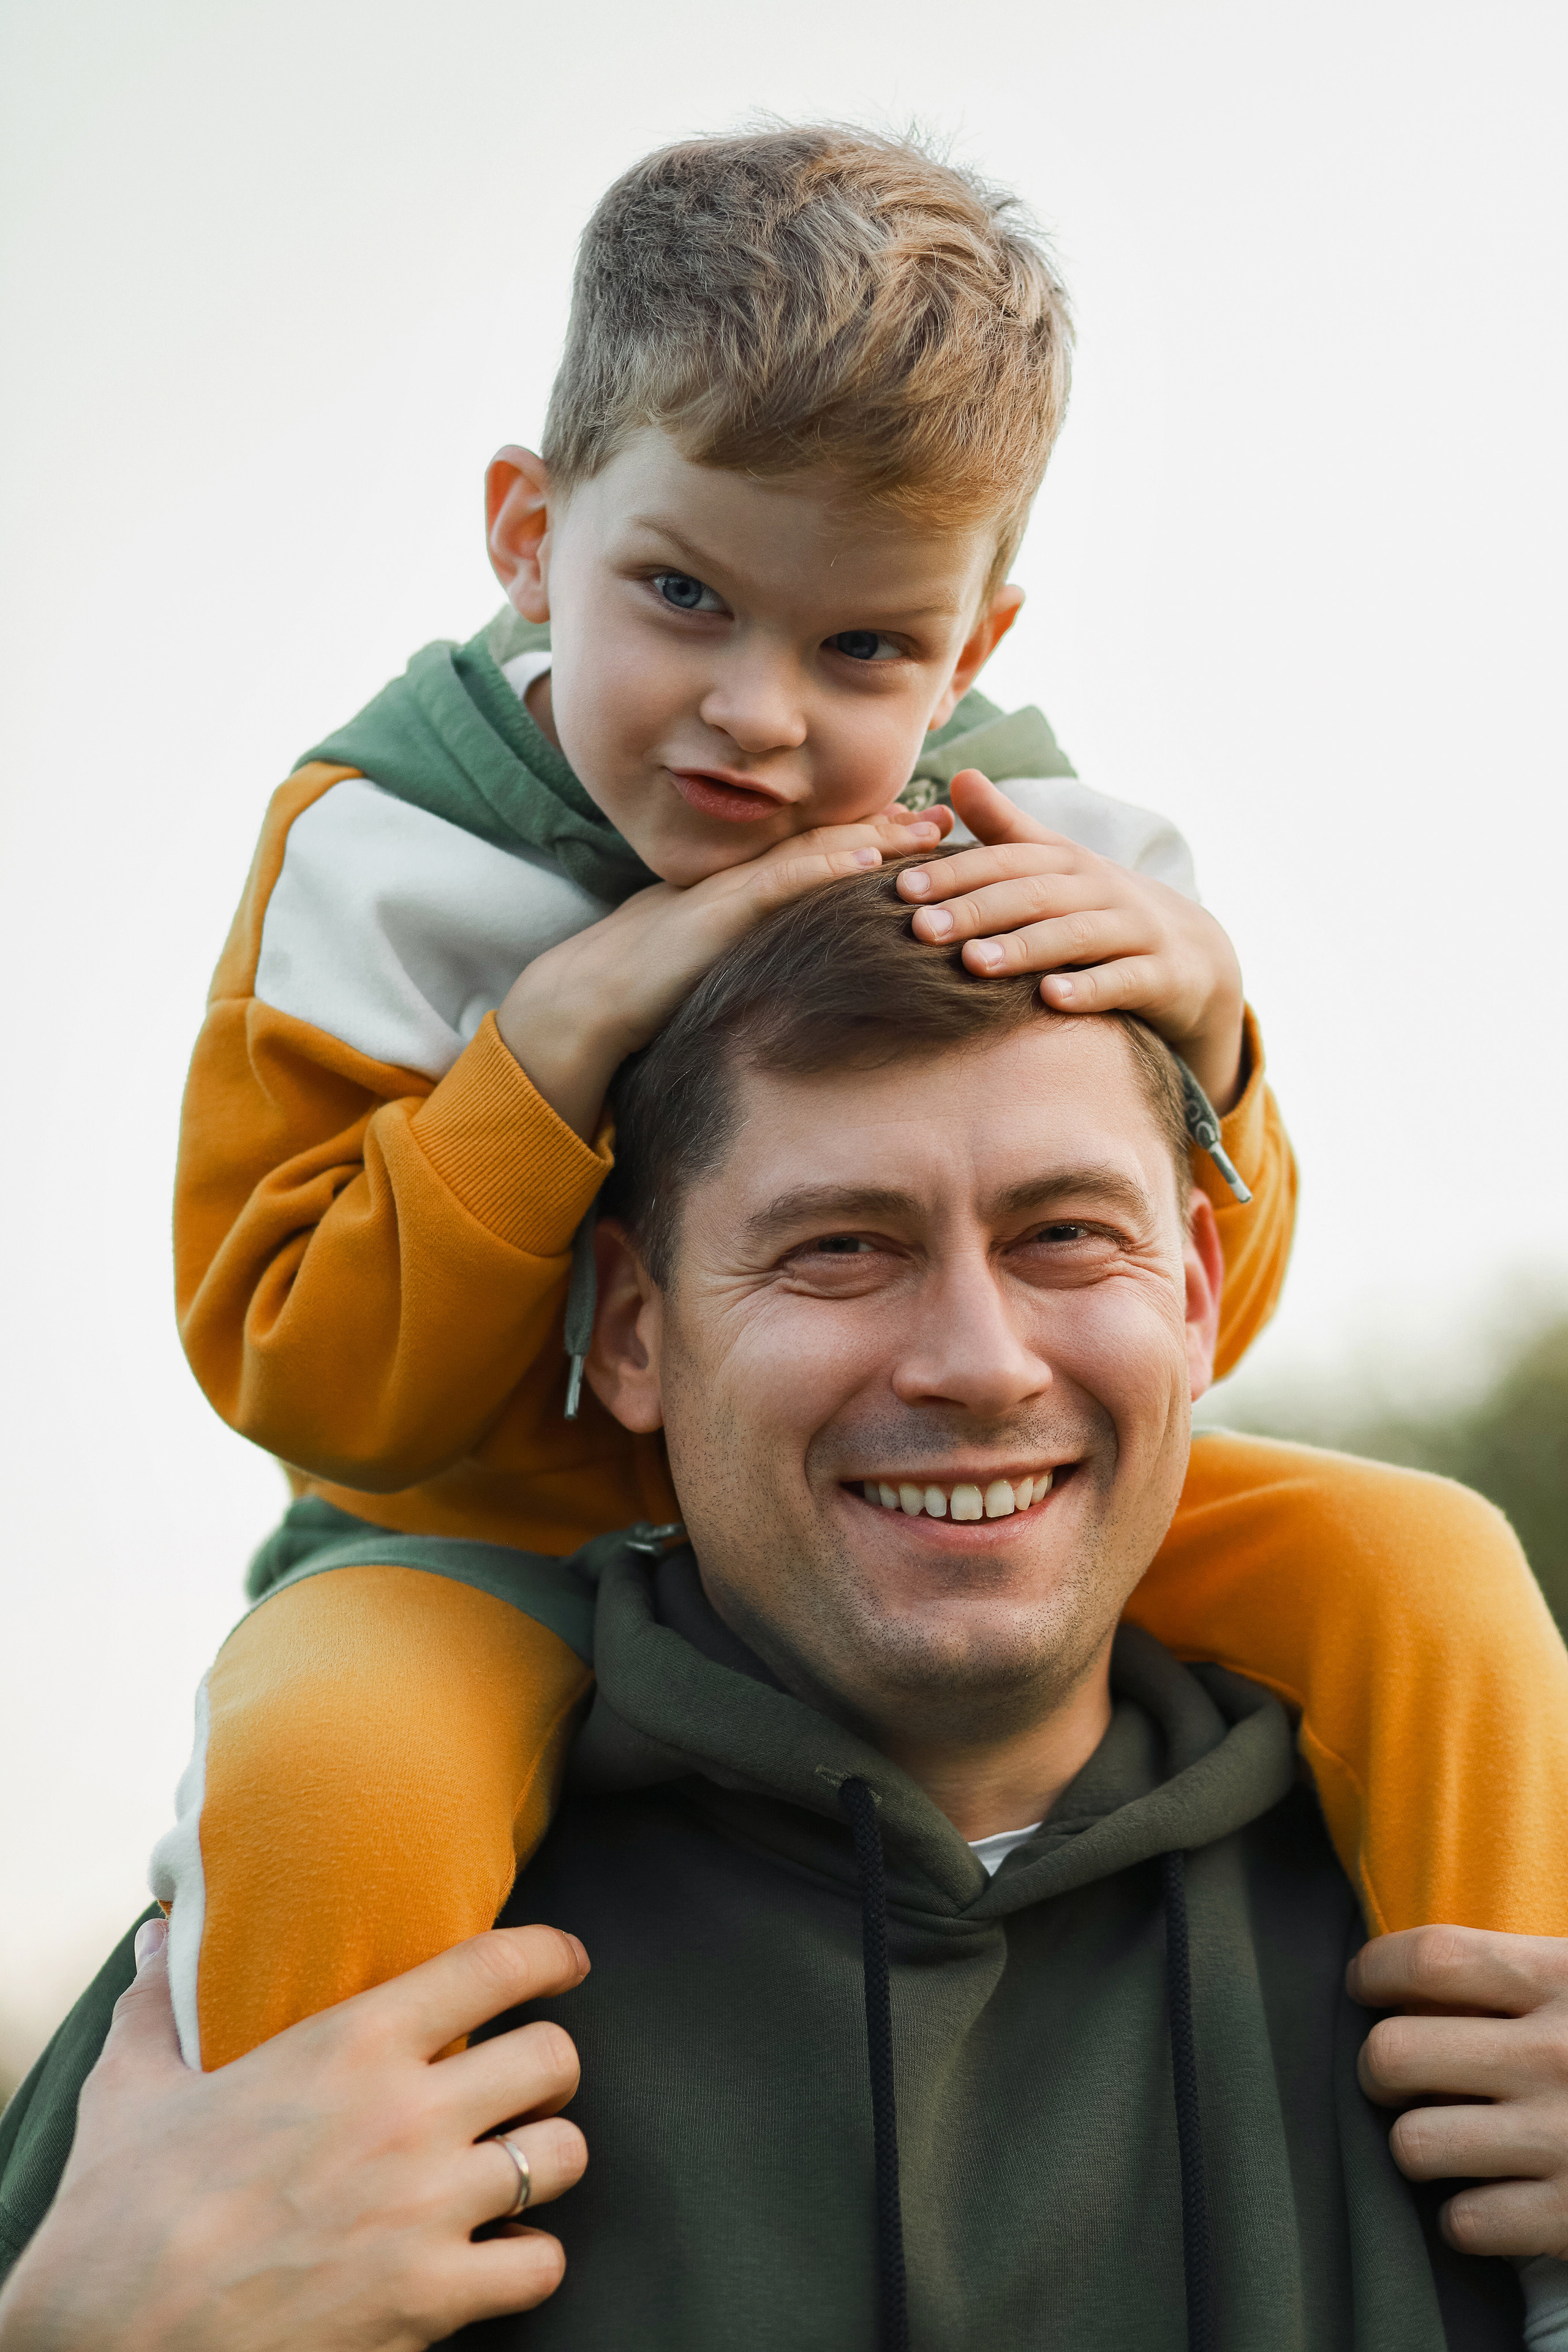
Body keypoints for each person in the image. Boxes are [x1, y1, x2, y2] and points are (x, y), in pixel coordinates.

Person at [153, 122, 1568, 2092]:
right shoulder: (383, 853)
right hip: (477, 1544)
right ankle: (280, 2243)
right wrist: (552, 1045)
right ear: (524, 530)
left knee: (1431, 1572)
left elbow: (1187, 1320)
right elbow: (303, 1374)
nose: (759, 711)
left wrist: (1221, 1034)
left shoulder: (1048, 848)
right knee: (331, 1768)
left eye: (865, 647)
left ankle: (1530, 2175)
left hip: (904, 1509)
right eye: (679, 594)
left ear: (977, 640)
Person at [5, 867, 1567, 2348]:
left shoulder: (1484, 1971)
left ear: (1192, 1296)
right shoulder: (299, 2017)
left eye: (1064, 1236)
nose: (978, 1360)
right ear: (630, 1332)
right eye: (839, 1250)